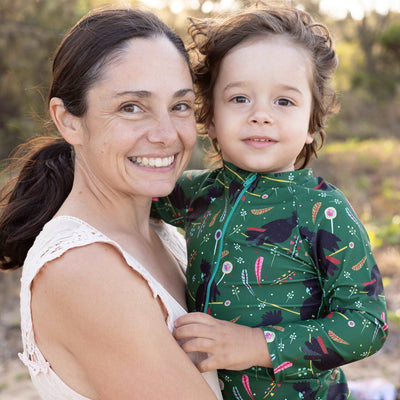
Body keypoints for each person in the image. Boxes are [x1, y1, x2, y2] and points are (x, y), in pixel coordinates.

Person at [151, 2, 389, 399]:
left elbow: (368, 323)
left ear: (312, 124)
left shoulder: (323, 211)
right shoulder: (195, 193)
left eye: (284, 101)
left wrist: (257, 344)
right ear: (210, 117)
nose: (261, 114)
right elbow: (122, 196)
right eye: (240, 98)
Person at [0, 7, 223, 400]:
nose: (166, 134)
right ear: (68, 120)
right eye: (131, 107)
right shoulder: (81, 268)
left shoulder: (163, 232)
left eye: (180, 106)